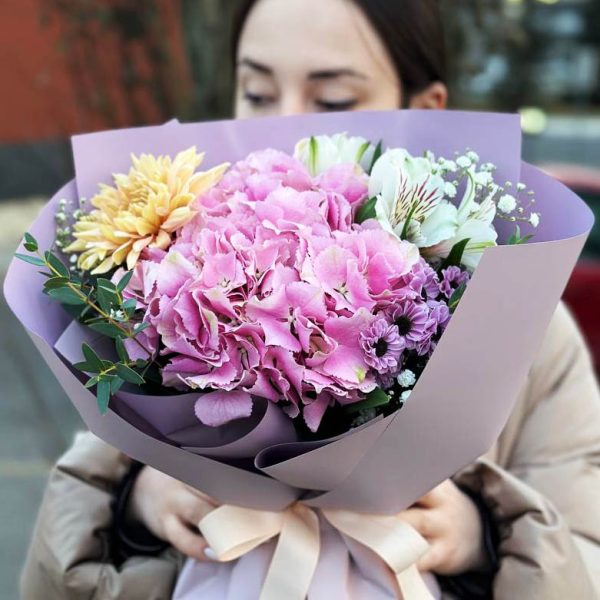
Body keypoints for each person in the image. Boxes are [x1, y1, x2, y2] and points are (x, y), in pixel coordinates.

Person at [20, 0, 600, 598]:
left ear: (425, 111)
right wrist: (134, 501)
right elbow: (49, 575)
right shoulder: (165, 300)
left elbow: (586, 556)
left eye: (332, 102)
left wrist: (483, 532)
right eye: (257, 93)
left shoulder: (531, 333)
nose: (284, 127)